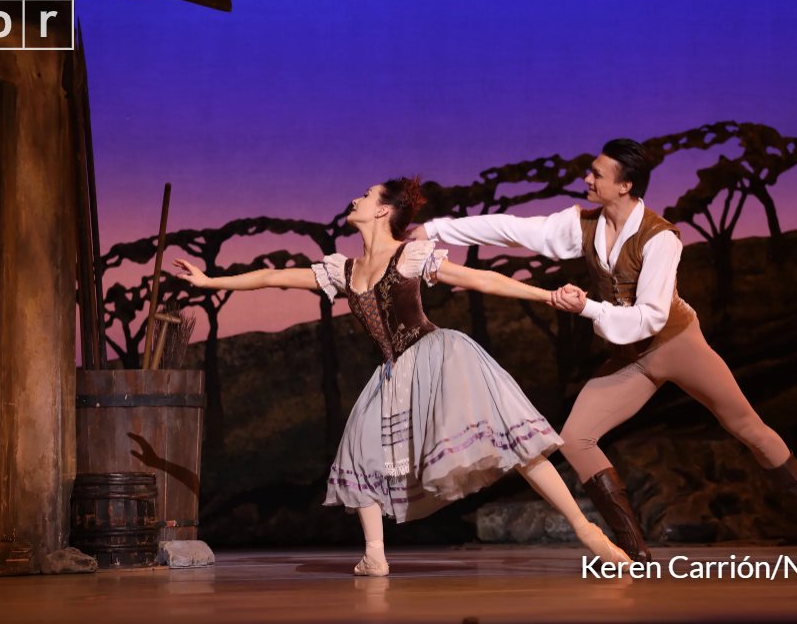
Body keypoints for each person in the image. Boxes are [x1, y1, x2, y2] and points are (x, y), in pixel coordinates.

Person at [415, 139, 797, 563]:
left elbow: (651, 318)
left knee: (748, 427)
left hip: (676, 344)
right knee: (576, 439)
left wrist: (586, 307)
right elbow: (511, 229)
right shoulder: (583, 225)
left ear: (626, 186)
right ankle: (633, 548)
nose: (587, 179)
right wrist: (434, 229)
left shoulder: (662, 238)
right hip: (631, 358)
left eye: (597, 174)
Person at [174, 177, 629, 577]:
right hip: (394, 372)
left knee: (512, 441)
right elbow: (275, 277)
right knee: (359, 448)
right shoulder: (344, 270)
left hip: (439, 358)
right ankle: (375, 556)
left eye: (365, 194)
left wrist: (547, 294)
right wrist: (211, 282)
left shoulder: (411, 256)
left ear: (382, 210)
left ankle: (586, 530)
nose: (355, 198)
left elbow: (480, 279)